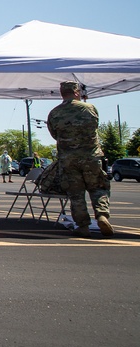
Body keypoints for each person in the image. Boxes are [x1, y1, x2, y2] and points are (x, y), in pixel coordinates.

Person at [46, 81, 114, 237]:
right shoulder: (89, 108)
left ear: (62, 93)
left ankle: (83, 226)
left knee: (76, 195)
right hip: (90, 156)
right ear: (77, 92)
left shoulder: (55, 113)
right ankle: (102, 215)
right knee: (98, 187)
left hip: (68, 159)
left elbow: (54, 134)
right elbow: (95, 126)